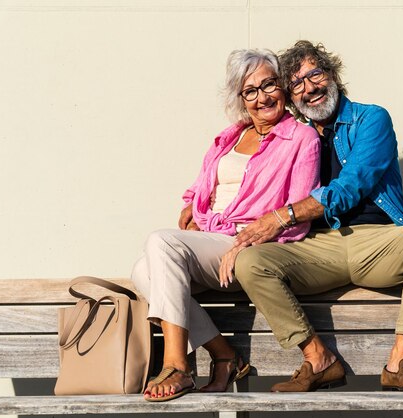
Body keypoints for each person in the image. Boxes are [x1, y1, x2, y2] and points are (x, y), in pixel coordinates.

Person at [227, 41, 403, 392]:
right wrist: (199, 207)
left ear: (332, 75)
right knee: (251, 262)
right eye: (297, 84)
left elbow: (350, 186)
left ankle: (399, 361)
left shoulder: (371, 119)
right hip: (316, 248)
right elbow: (249, 184)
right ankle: (318, 358)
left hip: (377, 242)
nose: (309, 88)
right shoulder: (292, 138)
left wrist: (283, 215)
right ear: (291, 97)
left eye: (314, 75)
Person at [131, 48, 320, 401]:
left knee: (160, 242)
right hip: (209, 240)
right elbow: (204, 183)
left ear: (282, 87)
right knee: (142, 272)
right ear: (240, 98)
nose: (262, 97)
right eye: (250, 90)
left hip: (245, 247)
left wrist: (244, 244)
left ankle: (177, 365)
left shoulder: (301, 139)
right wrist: (192, 203)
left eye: (269, 85)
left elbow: (295, 221)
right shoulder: (230, 137)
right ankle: (224, 353)